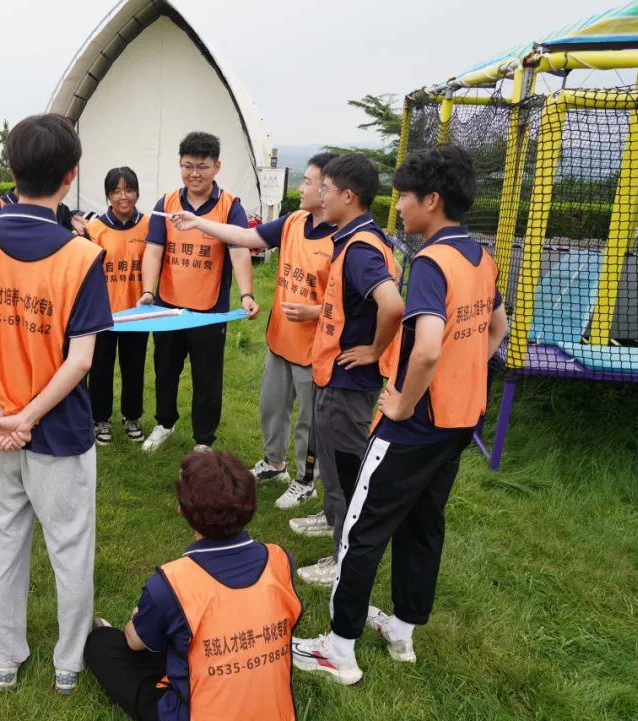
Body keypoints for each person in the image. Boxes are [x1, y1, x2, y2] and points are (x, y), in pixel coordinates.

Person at [292, 146, 508, 685]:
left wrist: (405, 402)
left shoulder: (433, 262)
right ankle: (403, 630)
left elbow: (428, 348)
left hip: (415, 425)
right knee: (423, 525)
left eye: (405, 198)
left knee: (361, 530)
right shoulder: (481, 257)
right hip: (459, 422)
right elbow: (497, 329)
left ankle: (339, 649)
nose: (399, 208)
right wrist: (464, 376)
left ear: (431, 201)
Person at [0, 113, 112, 694]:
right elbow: (81, 360)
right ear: (71, 175)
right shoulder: (82, 255)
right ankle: (69, 661)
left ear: (8, 168)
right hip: (57, 429)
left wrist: (1, 410)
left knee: (1, 540)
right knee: (70, 545)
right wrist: (25, 416)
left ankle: (4, 658)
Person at [171, 152, 339, 510]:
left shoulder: (344, 240)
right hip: (280, 340)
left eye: (308, 182)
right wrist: (199, 223)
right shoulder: (294, 221)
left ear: (329, 190)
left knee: (308, 421)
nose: (301, 188)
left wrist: (315, 311)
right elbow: (246, 237)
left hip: (315, 350)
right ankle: (274, 463)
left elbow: (354, 305)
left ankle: (306, 479)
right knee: (271, 406)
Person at [84, 449, 302, 721]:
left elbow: (135, 641)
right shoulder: (281, 560)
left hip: (197, 713)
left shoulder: (172, 581)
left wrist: (137, 618)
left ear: (182, 510)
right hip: (275, 713)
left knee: (102, 644)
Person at [290, 154, 403, 587]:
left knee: (346, 470)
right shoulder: (355, 238)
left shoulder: (360, 249)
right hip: (333, 373)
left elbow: (392, 305)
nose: (320, 195)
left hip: (349, 382)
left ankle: (343, 559)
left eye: (326, 189)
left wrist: (375, 350)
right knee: (332, 461)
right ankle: (330, 519)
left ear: (349, 196)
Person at [138, 131, 259, 453]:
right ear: (180, 165)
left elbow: (239, 251)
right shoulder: (166, 204)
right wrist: (148, 291)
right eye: (187, 166)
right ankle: (164, 423)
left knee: (207, 377)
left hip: (210, 311)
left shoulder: (230, 206)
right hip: (168, 306)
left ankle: (203, 440)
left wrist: (246, 294)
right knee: (165, 370)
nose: (194, 174)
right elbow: (153, 250)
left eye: (202, 166)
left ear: (217, 167)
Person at [86, 167, 150, 445]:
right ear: (108, 195)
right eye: (116, 191)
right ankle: (100, 419)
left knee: (134, 368)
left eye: (129, 190)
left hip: (137, 313)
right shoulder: (94, 229)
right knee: (100, 369)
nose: (123, 196)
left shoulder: (149, 225)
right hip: (103, 314)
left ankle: (132, 416)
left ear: (137, 192)